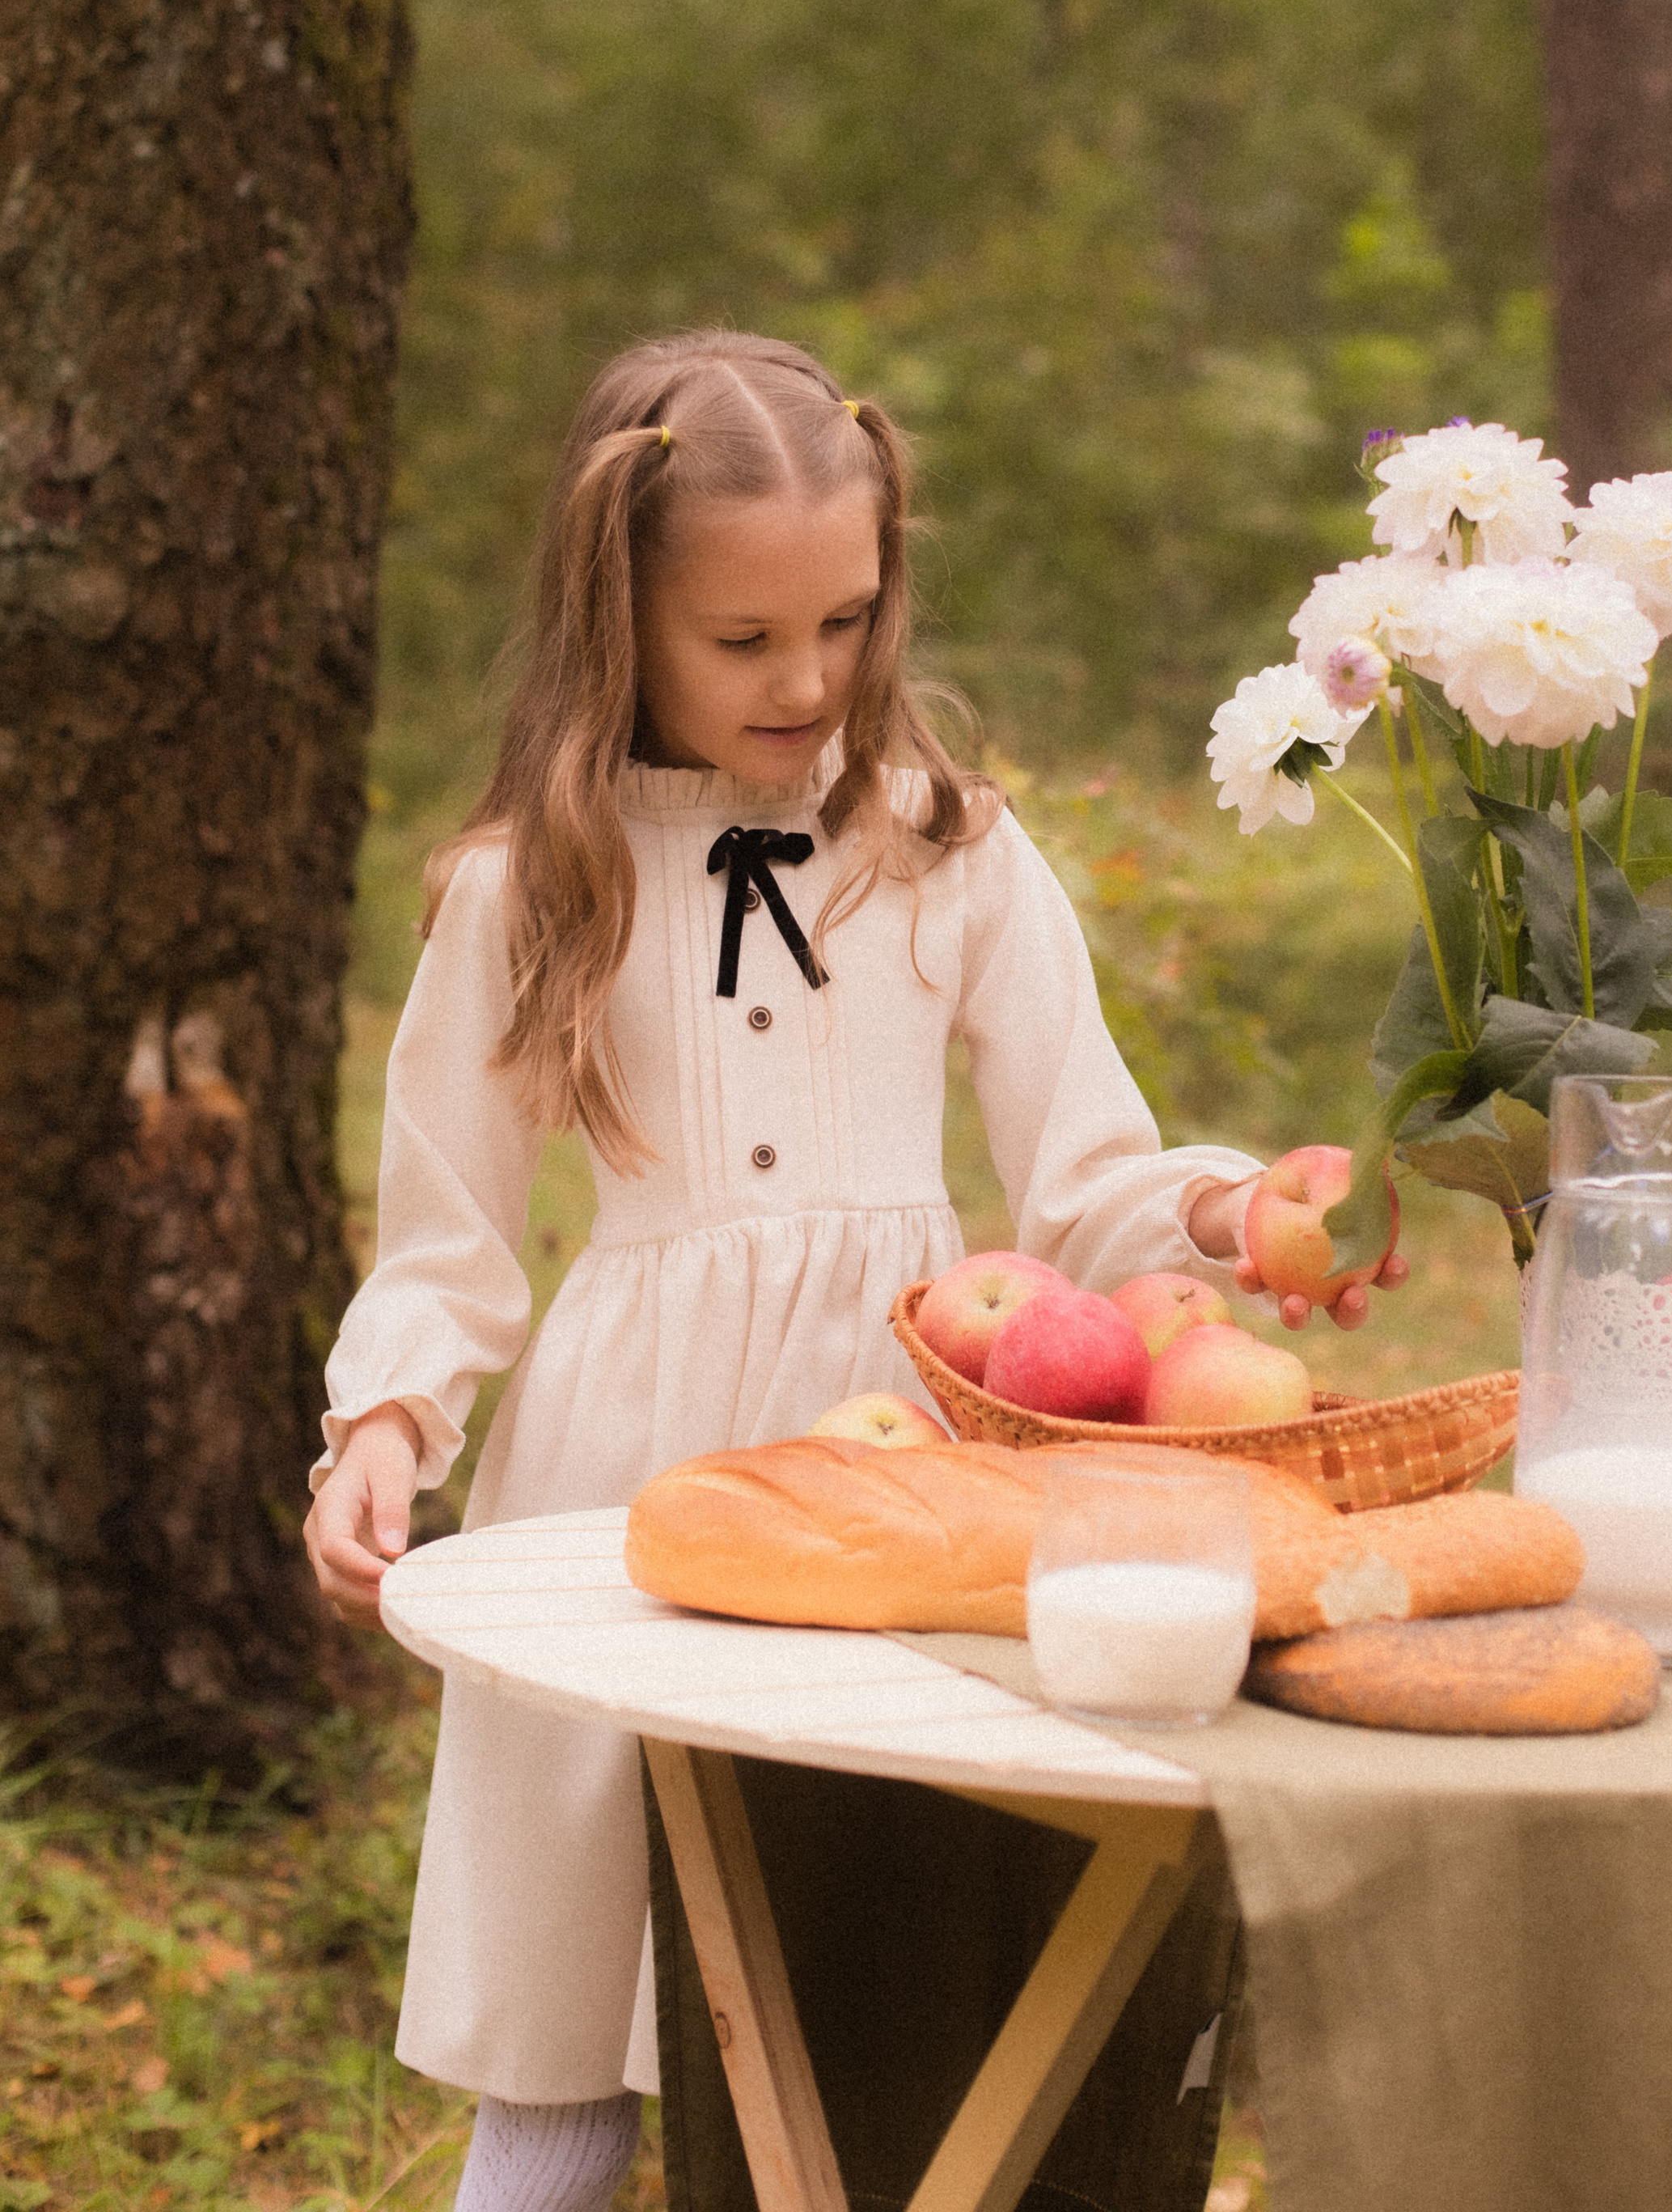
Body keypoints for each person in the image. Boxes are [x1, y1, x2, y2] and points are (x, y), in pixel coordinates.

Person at [304, 328, 1376, 2212]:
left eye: (846, 621)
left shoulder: (943, 851)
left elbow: (1087, 1177)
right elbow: (449, 1230)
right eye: (743, 641)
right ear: (614, 613)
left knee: (858, 1972)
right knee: (573, 2004)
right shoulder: (525, 888)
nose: (807, 681)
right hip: (615, 1485)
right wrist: (383, 1420)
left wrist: (1223, 1219)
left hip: (893, 1476)